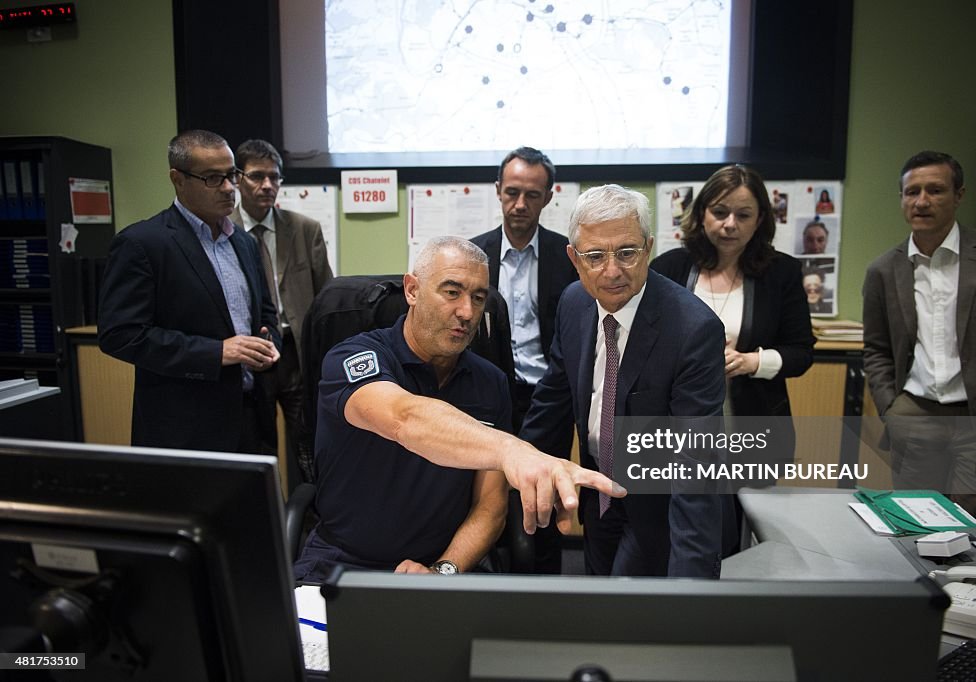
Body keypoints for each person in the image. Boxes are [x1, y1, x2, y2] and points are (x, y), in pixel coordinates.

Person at [293, 236, 624, 580]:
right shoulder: (355, 358)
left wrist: (443, 570)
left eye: (478, 298)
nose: (467, 312)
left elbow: (490, 506)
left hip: (442, 566)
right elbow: (404, 418)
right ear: (412, 290)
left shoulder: (490, 382)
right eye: (451, 292)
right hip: (341, 563)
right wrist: (512, 450)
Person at [520, 184, 724, 577]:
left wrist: (695, 592)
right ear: (574, 259)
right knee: (599, 603)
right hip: (597, 487)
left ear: (648, 248)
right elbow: (553, 401)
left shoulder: (693, 330)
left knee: (639, 614)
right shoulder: (574, 303)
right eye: (595, 256)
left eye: (627, 253)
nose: (611, 270)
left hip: (658, 503)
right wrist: (520, 470)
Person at [650, 164, 815, 554]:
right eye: (720, 212)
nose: (729, 224)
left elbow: (801, 352)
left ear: (760, 220)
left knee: (741, 533)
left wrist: (751, 362)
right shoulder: (670, 267)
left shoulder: (783, 273)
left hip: (751, 420)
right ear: (702, 212)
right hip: (678, 422)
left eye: (743, 215)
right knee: (679, 524)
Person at [863, 150, 976, 522]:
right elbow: (876, 349)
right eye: (911, 191)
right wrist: (892, 408)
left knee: (972, 524)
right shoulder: (883, 270)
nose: (921, 201)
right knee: (917, 520)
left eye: (934, 190)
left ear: (959, 194)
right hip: (916, 415)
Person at [98, 130, 281, 454]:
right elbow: (121, 335)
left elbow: (266, 311)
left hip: (251, 417)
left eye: (230, 175)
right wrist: (216, 352)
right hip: (185, 428)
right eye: (213, 178)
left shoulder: (243, 242)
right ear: (177, 179)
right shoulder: (143, 243)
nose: (228, 188)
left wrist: (269, 347)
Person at [470, 146, 577, 573]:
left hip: (547, 397)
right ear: (497, 191)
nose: (520, 204)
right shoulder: (474, 255)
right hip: (487, 395)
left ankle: (543, 592)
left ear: (549, 197)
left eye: (532, 195)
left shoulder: (566, 256)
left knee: (542, 498)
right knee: (483, 493)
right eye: (512, 192)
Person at [230, 139, 333, 486]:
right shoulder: (222, 230)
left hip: (297, 355)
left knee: (307, 446)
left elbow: (326, 298)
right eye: (257, 177)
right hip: (249, 356)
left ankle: (307, 525)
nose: (268, 186)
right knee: (258, 447)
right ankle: (266, 523)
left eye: (275, 178)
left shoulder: (304, 229)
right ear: (237, 178)